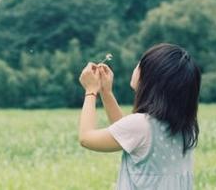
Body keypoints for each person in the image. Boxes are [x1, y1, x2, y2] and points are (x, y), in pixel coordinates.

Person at [78, 43, 201, 189]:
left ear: (150, 78)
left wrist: (91, 91)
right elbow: (126, 137)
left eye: (140, 64)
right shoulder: (186, 126)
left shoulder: (141, 125)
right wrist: (106, 93)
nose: (136, 67)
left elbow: (86, 138)